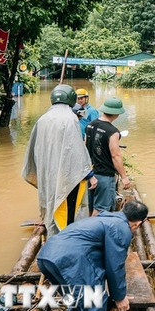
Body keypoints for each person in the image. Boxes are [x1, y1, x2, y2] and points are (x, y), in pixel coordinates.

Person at [37, 200, 149, 311]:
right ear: (138, 223)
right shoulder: (121, 227)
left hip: (46, 257)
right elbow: (115, 266)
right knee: (95, 301)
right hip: (69, 261)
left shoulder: (104, 218)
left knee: (77, 300)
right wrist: (119, 296)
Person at [22, 84, 96, 236]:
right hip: (66, 174)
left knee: (51, 202)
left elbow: (33, 150)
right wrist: (90, 175)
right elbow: (76, 150)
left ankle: (53, 235)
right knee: (67, 208)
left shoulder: (43, 119)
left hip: (48, 172)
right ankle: (66, 237)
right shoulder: (70, 119)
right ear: (71, 99)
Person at [84, 97, 132, 216]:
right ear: (117, 114)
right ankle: (92, 232)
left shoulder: (90, 125)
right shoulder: (112, 131)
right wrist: (124, 177)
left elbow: (84, 148)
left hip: (90, 173)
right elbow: (115, 155)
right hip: (104, 175)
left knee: (91, 206)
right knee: (101, 208)